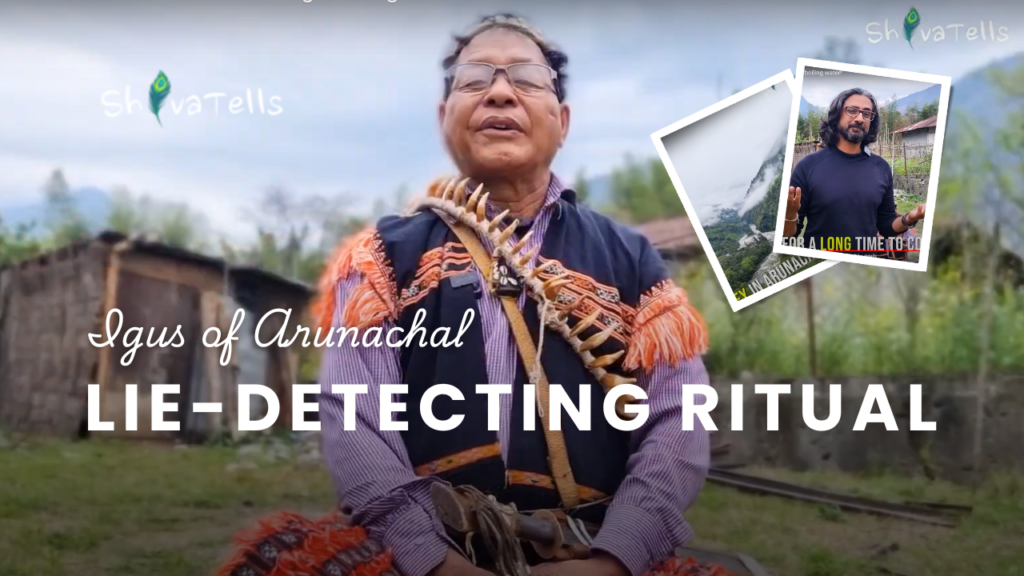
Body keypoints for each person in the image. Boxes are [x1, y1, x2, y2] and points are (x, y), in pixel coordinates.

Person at [217, 14, 720, 576]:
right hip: (428, 552)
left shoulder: (630, 259)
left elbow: (679, 419)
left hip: (590, 549)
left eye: (527, 80)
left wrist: (612, 559)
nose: (500, 92)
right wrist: (432, 560)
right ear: (444, 117)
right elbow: (354, 417)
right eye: (474, 80)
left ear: (564, 121)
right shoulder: (382, 256)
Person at [782, 88, 926, 258]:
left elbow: (886, 225)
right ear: (836, 116)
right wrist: (790, 215)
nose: (859, 118)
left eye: (867, 114)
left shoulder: (881, 168)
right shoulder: (808, 166)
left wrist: (911, 217)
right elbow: (789, 238)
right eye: (852, 111)